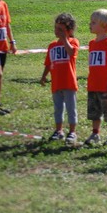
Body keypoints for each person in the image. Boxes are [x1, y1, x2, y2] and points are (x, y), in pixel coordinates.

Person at [40, 13, 79, 144]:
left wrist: (65, 40)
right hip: (56, 83)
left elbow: (72, 53)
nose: (57, 31)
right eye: (56, 28)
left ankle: (72, 132)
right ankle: (59, 131)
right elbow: (48, 63)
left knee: (71, 108)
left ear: (70, 31)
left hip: (69, 82)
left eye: (61, 29)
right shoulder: (52, 46)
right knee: (58, 108)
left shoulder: (73, 42)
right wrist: (44, 76)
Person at [85, 9, 107, 147]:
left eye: (93, 22)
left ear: (104, 25)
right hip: (94, 84)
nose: (90, 24)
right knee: (94, 112)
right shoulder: (92, 44)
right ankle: (95, 133)